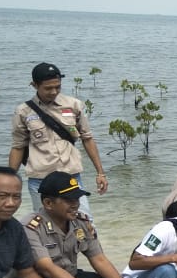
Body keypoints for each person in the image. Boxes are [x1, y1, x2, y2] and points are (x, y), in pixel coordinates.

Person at [21, 171, 140, 278]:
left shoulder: (81, 222)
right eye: (69, 200)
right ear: (48, 203)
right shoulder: (31, 227)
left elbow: (98, 258)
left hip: (71, 277)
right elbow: (46, 267)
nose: (75, 204)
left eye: (77, 199)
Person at [9, 62, 108, 216]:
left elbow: (87, 139)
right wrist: (10, 180)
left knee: (84, 222)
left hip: (71, 177)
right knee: (46, 226)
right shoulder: (23, 111)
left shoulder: (74, 105)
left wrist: (100, 173)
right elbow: (18, 147)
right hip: (40, 180)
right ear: (34, 85)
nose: (54, 91)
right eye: (48, 88)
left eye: (58, 87)